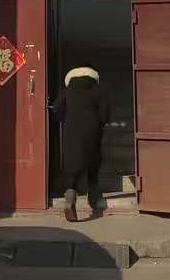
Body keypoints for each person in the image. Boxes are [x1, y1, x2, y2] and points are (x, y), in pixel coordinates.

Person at [50, 62, 111, 221]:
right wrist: (99, 122)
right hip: (92, 131)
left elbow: (56, 108)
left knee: (72, 165)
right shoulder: (98, 90)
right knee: (93, 164)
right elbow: (105, 114)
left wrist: (65, 119)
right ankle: (94, 199)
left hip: (72, 131)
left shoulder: (67, 91)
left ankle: (70, 198)